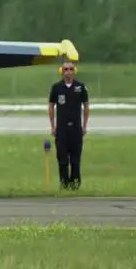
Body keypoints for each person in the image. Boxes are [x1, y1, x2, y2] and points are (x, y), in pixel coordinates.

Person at [47, 60, 89, 190]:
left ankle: (75, 184)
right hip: (62, 128)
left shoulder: (80, 87)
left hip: (76, 128)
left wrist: (84, 125)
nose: (68, 72)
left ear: (74, 72)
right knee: (62, 159)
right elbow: (51, 106)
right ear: (61, 72)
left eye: (71, 69)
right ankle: (64, 184)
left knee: (75, 160)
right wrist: (53, 126)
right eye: (65, 69)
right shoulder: (56, 88)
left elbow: (86, 106)